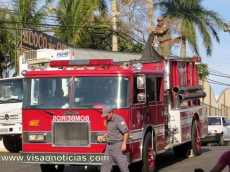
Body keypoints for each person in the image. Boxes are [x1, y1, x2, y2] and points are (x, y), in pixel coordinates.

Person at [99, 105, 129, 172]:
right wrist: (103, 137)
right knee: (104, 167)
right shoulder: (108, 120)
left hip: (117, 146)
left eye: (106, 115)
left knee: (123, 167)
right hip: (108, 147)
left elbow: (126, 132)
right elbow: (109, 131)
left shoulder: (119, 119)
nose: (105, 117)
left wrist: (124, 144)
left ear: (111, 112)